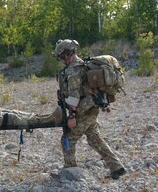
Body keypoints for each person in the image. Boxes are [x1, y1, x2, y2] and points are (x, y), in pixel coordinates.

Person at [54, 39, 126, 179]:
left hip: (83, 111)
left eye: (62, 56)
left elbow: (74, 95)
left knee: (68, 138)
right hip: (91, 108)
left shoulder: (74, 70)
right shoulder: (82, 65)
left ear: (67, 54)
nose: (61, 60)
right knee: (94, 139)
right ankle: (117, 167)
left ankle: (70, 170)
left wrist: (72, 116)